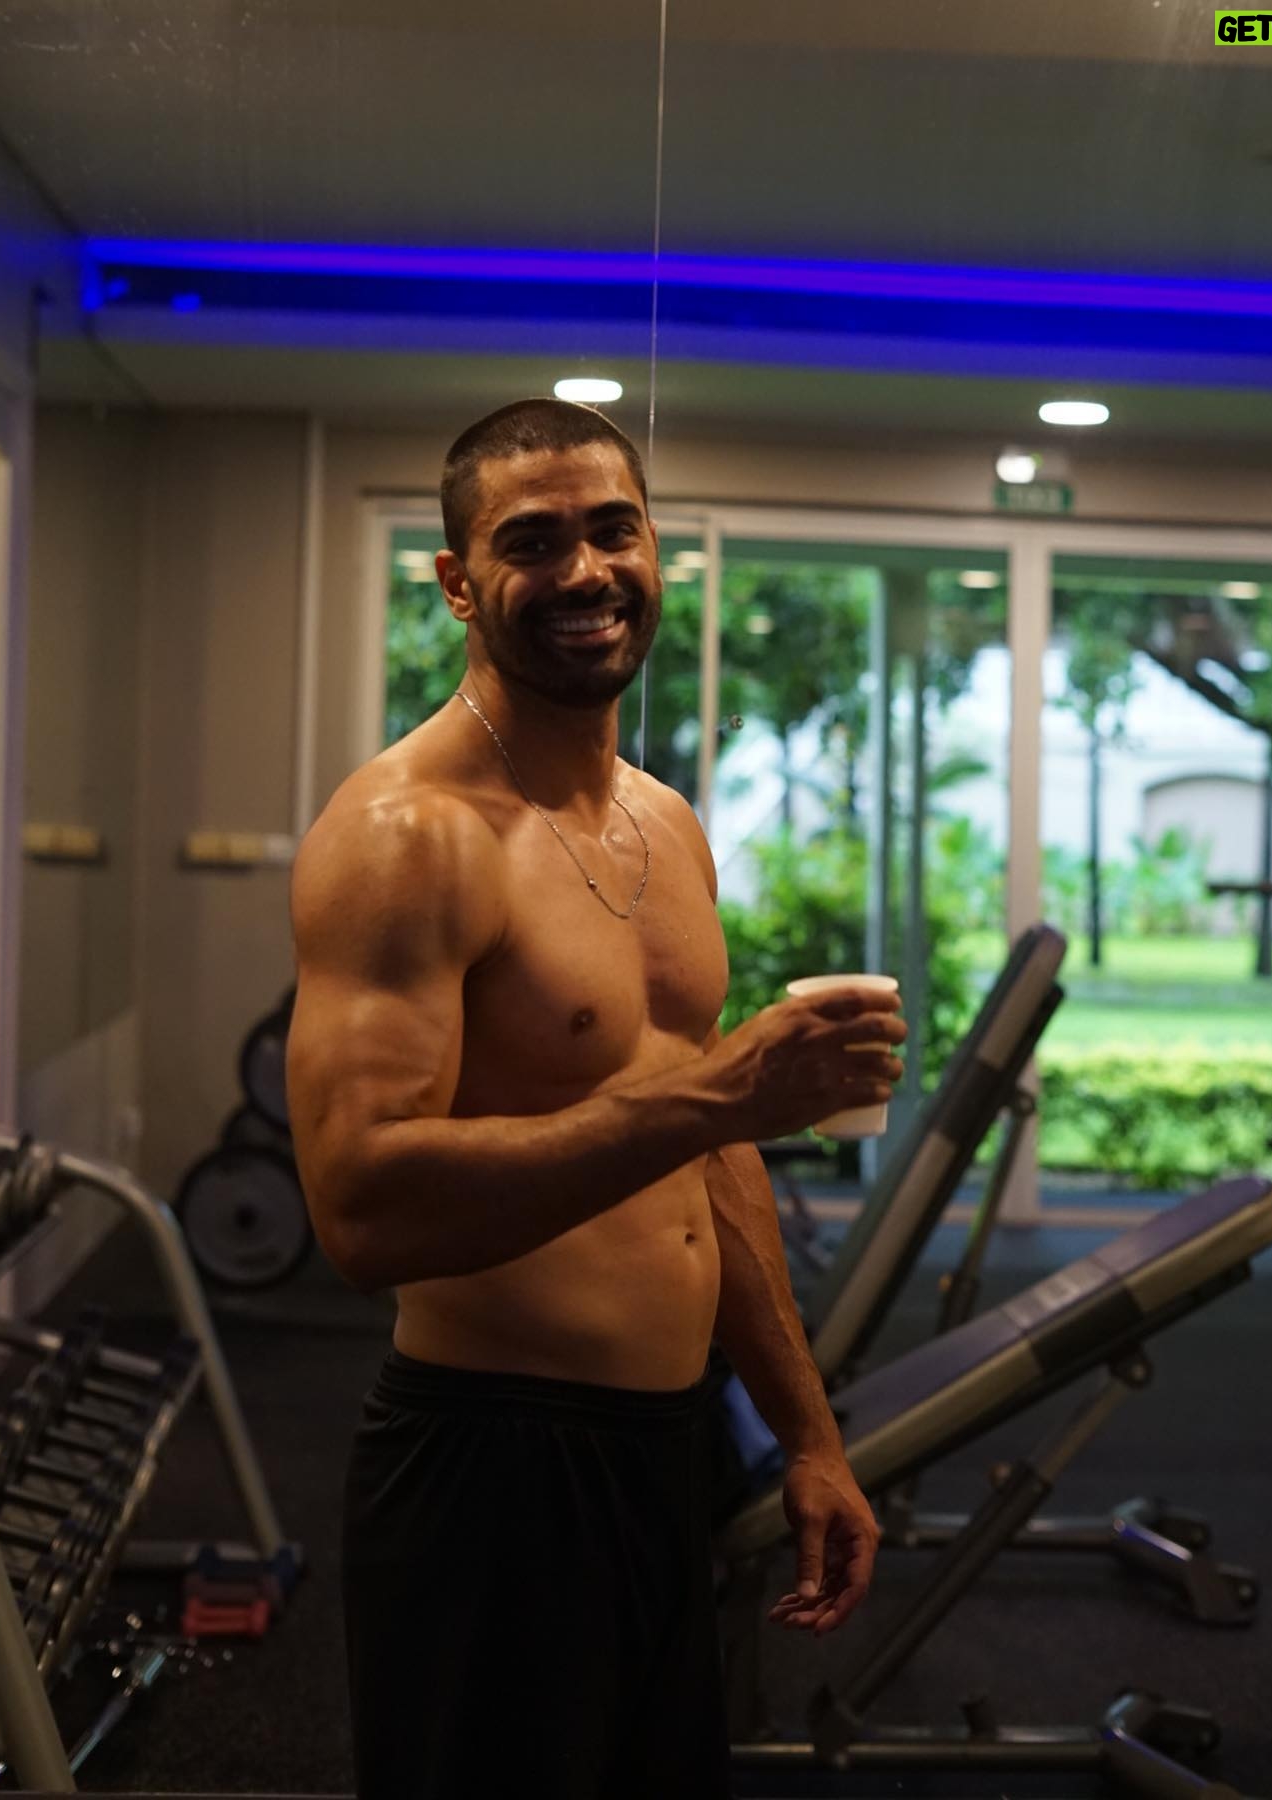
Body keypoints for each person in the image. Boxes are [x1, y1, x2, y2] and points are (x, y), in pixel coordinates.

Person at [285, 398, 907, 1800]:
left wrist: (808, 1433)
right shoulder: (405, 837)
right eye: (532, 542)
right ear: (458, 583)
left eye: (613, 531)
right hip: (488, 1462)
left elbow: (710, 1156)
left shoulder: (662, 823)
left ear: (655, 551)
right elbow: (361, 1211)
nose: (585, 571)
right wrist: (712, 1100)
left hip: (662, 1447)